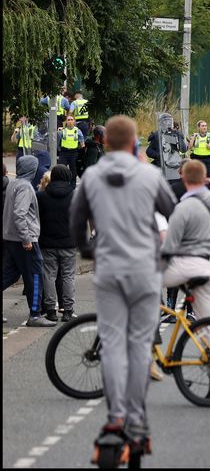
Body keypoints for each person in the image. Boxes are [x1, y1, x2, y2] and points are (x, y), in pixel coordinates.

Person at [69, 115, 177, 444]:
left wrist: (88, 249)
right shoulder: (148, 174)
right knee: (140, 344)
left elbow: (76, 219)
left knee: (113, 342)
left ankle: (115, 417)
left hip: (109, 267)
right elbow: (172, 211)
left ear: (103, 142)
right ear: (134, 144)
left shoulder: (92, 176)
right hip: (144, 267)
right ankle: (136, 416)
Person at [160, 160, 210, 388]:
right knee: (208, 324)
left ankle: (150, 331)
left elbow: (169, 247)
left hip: (185, 265)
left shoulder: (182, 208)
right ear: (205, 178)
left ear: (184, 179)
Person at [3, 155, 54, 327]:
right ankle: (35, 314)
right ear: (32, 169)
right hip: (25, 240)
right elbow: (20, 213)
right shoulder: (25, 187)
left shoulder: (13, 184)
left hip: (10, 237)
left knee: (9, 274)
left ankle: (35, 313)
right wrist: (26, 238)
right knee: (35, 275)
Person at [37, 165, 78, 321]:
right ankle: (67, 310)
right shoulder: (74, 196)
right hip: (68, 242)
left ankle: (50, 310)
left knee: (49, 276)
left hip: (47, 242)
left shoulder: (41, 196)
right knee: (68, 276)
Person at [58, 114, 86, 183]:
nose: (70, 121)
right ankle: (62, 184)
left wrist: (82, 155)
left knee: (74, 172)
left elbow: (82, 144)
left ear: (74, 121)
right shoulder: (62, 131)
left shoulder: (78, 131)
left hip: (74, 153)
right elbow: (57, 141)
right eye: (68, 120)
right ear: (66, 122)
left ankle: (73, 186)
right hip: (64, 153)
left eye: (71, 120)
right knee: (61, 170)